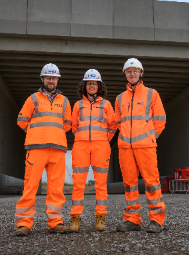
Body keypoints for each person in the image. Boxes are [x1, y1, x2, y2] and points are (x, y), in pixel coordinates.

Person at [15, 63, 72, 236]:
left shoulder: (65, 101)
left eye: (54, 78)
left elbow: (68, 124)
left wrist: (51, 133)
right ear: (42, 79)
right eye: (48, 77)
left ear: (58, 80)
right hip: (36, 148)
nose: (51, 81)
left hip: (57, 149)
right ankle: (24, 224)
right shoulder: (33, 98)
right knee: (30, 186)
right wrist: (37, 133)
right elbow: (22, 120)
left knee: (56, 188)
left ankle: (55, 222)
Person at [114, 58, 167, 233]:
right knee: (130, 185)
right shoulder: (120, 98)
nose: (132, 73)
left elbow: (160, 120)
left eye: (135, 70)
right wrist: (126, 138)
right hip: (125, 148)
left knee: (152, 184)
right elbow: (118, 122)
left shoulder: (152, 94)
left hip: (146, 146)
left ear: (141, 73)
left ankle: (157, 220)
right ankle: (132, 220)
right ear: (125, 74)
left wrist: (151, 137)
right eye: (128, 71)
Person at [69, 69, 116, 232]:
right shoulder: (77, 105)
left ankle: (100, 218)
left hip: (101, 146)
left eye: (94, 83)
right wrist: (83, 137)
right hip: (80, 145)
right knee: (78, 184)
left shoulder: (106, 104)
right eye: (89, 83)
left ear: (99, 86)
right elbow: (74, 127)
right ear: (84, 85)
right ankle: (75, 218)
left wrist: (102, 139)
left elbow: (112, 126)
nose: (91, 86)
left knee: (101, 184)